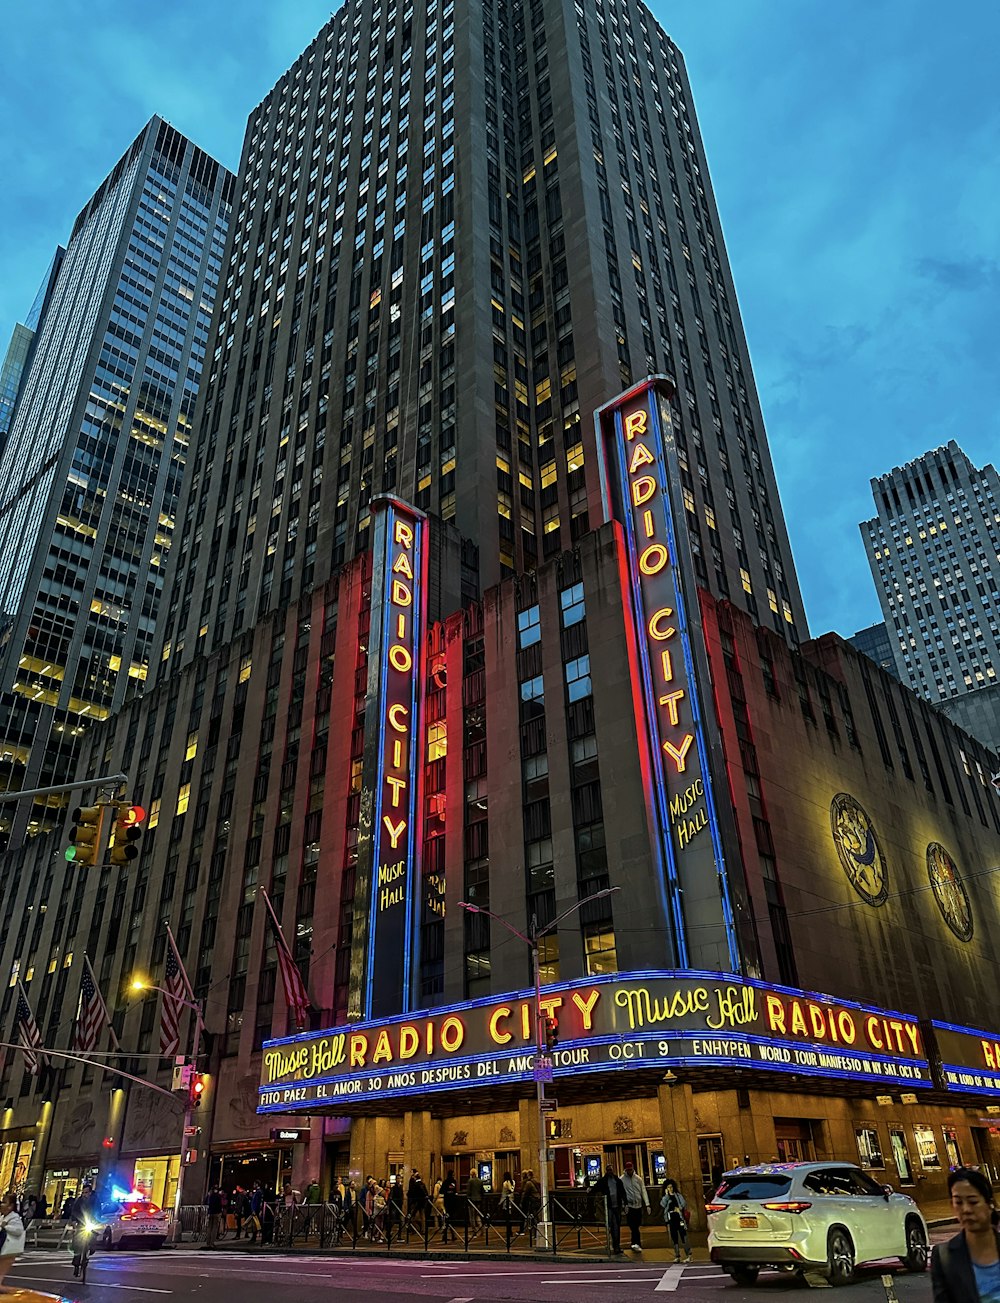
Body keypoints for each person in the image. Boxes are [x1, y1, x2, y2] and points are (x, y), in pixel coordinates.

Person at [931, 1166, 1000, 1301]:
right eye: (958, 1203)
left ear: (990, 1204)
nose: (966, 1209)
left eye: (973, 1202)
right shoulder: (944, 1256)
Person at [594, 1163, 627, 1255]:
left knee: (616, 1226)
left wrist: (625, 1203)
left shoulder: (617, 1180)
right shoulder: (604, 1180)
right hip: (610, 1206)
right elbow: (596, 1187)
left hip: (617, 1206)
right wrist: (590, 1189)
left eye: (611, 1170)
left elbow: (622, 1192)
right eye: (608, 1170)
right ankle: (615, 1246)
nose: (610, 1172)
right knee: (613, 1226)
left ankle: (616, 1245)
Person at [621, 1160, 650, 1252]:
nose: (630, 1171)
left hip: (638, 1205)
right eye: (628, 1170)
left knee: (636, 1226)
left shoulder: (638, 1179)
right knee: (633, 1226)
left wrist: (647, 1204)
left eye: (631, 1169)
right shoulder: (622, 1179)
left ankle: (635, 1243)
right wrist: (623, 1205)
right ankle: (636, 1243)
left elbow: (643, 1191)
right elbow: (621, 1193)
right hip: (629, 1206)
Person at [661, 1178, 691, 1263]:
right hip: (671, 1218)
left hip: (679, 1217)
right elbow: (662, 1204)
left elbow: (683, 1203)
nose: (670, 1189)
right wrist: (667, 1195)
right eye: (668, 1187)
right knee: (674, 1237)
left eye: (671, 1187)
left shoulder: (677, 1195)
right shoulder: (666, 1197)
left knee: (683, 1235)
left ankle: (688, 1254)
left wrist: (679, 1208)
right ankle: (677, 1255)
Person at [0, 1194, 25, 1283]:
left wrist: (5, 1227)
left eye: (4, 1202)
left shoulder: (14, 1217)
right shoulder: (3, 1217)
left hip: (8, 1250)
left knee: (2, 1269)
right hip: (3, 1248)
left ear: (10, 1206)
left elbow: (19, 1230)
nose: (1, 1204)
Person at [520, 1169, 540, 1239]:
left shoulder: (529, 1183)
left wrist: (521, 1202)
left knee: (534, 1217)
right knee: (535, 1216)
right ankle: (536, 1232)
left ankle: (536, 1233)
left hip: (533, 1201)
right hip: (538, 1200)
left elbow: (525, 1193)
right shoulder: (535, 1181)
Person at [440, 1170, 458, 1242]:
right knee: (451, 1219)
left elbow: (441, 1191)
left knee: (448, 1218)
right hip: (453, 1202)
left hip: (447, 1202)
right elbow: (455, 1191)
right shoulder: (454, 1182)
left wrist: (446, 1192)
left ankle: (445, 1235)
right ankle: (452, 1234)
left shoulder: (445, 1182)